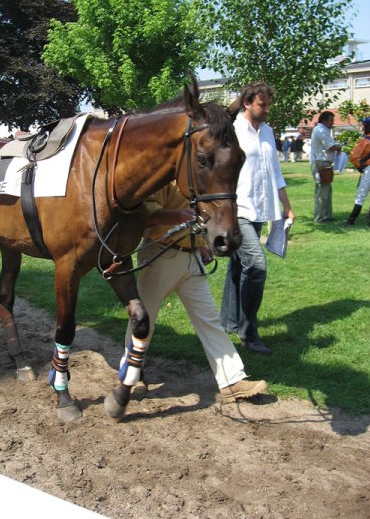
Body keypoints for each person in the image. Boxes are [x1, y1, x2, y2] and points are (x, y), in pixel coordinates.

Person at [121, 181, 268, 404]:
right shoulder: (164, 178)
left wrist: (200, 244)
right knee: (144, 319)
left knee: (209, 319)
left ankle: (232, 380)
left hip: (191, 258)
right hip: (161, 256)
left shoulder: (199, 180)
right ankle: (132, 373)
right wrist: (175, 215)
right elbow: (144, 214)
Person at [220, 82, 295, 354]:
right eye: (262, 104)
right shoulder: (232, 130)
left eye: (268, 104)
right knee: (257, 265)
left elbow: (275, 172)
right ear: (247, 103)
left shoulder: (268, 132)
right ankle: (249, 332)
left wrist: (286, 206)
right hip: (237, 209)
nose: (266, 109)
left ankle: (227, 322)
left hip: (260, 207)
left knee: (239, 267)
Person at [310, 111, 342, 223]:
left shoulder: (322, 130)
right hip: (321, 163)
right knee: (322, 191)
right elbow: (330, 146)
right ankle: (320, 217)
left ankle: (327, 216)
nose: (332, 123)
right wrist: (339, 146)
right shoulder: (321, 130)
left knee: (327, 191)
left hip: (324, 162)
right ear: (324, 120)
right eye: (330, 120)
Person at [344, 116, 370, 227]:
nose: (361, 126)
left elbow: (354, 157)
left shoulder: (364, 140)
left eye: (362, 125)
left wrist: (360, 168)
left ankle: (350, 221)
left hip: (369, 170)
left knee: (361, 196)